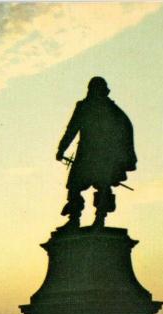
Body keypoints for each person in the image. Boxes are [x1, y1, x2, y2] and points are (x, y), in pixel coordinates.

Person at [55, 77, 136, 229]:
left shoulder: (109, 109)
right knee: (75, 186)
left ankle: (97, 219)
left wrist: (120, 156)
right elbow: (72, 129)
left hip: (100, 157)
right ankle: (76, 219)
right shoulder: (86, 107)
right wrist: (61, 148)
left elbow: (124, 130)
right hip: (88, 155)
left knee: (101, 187)